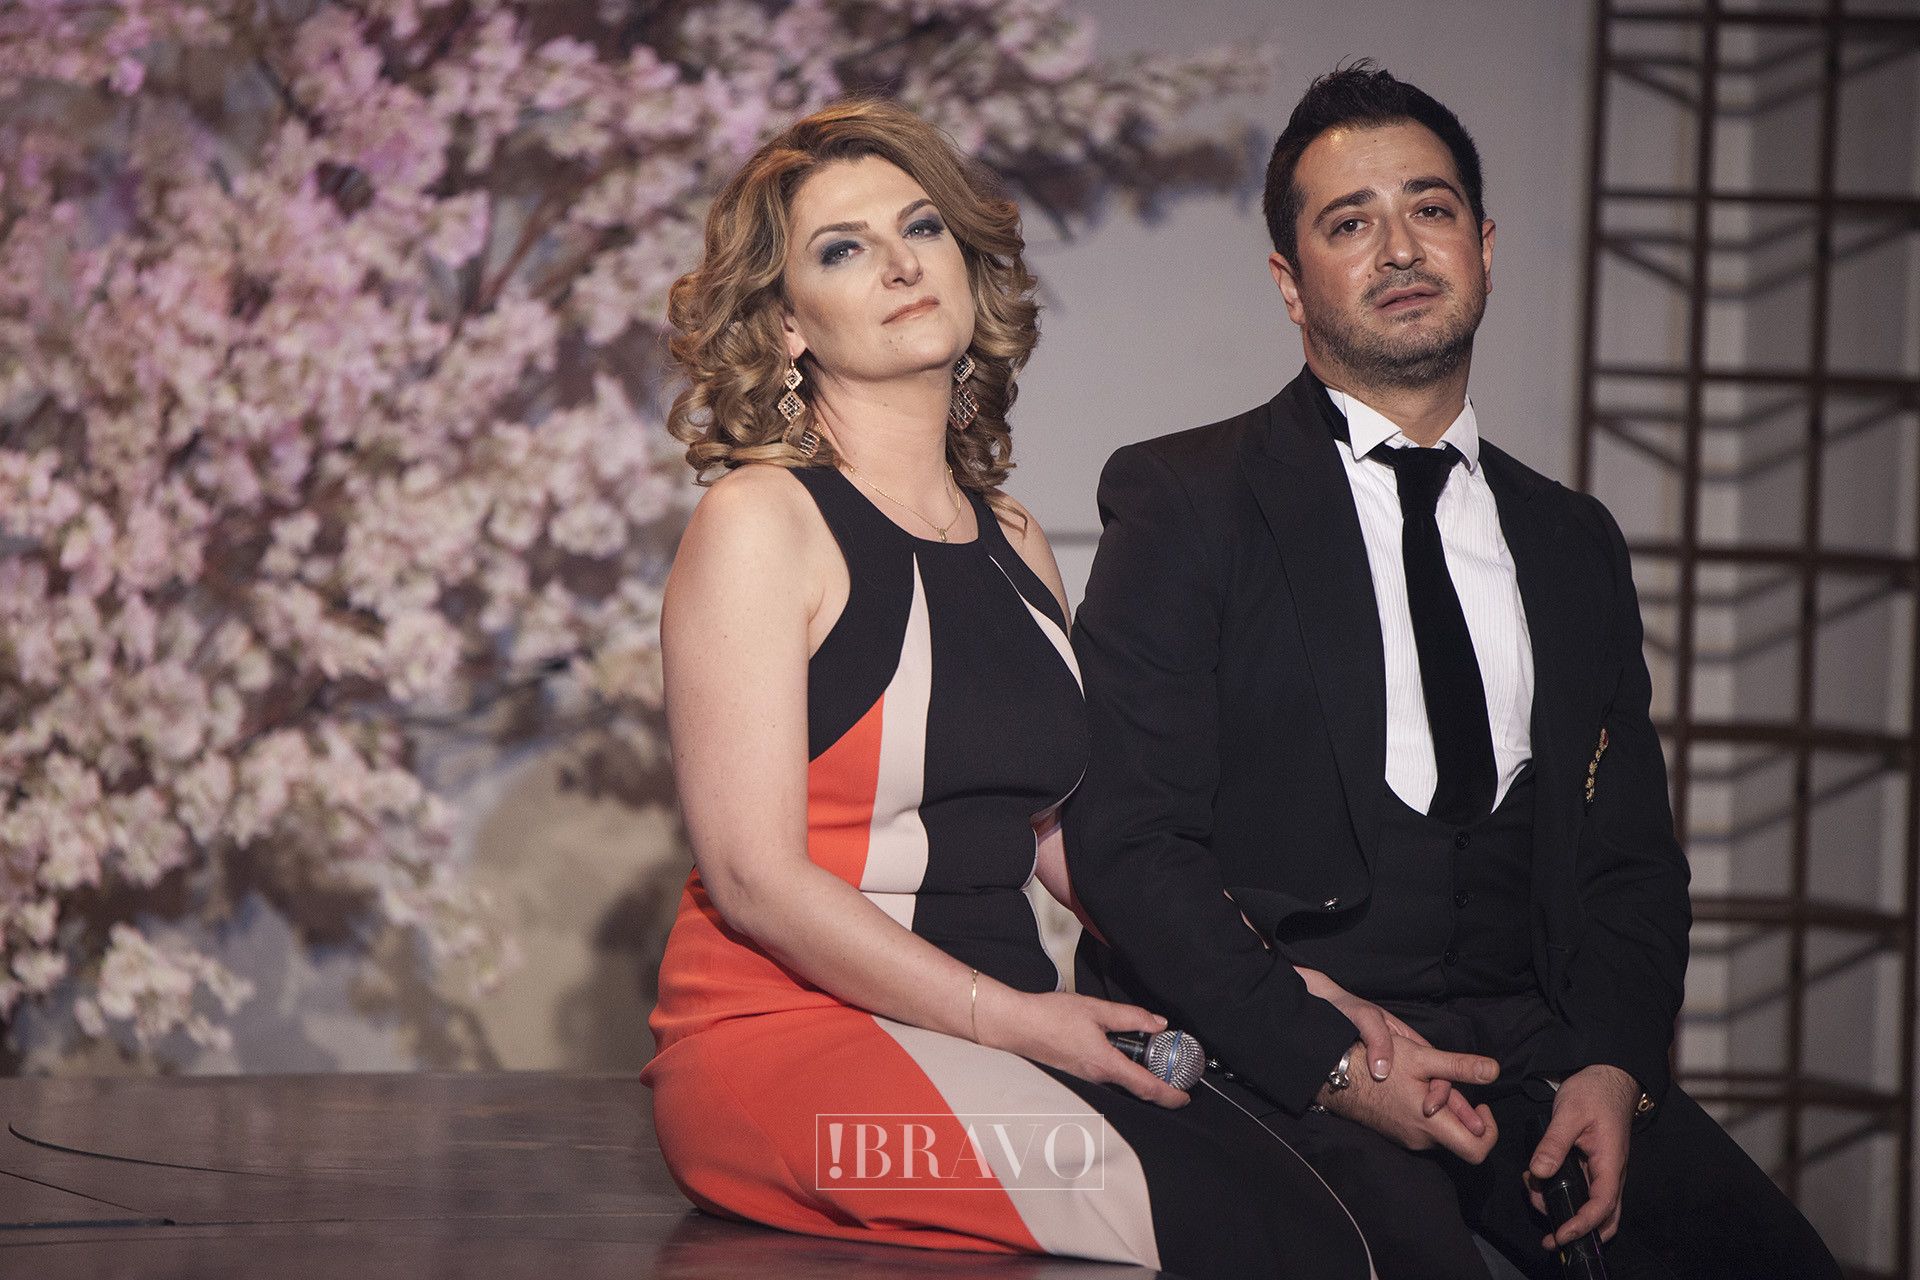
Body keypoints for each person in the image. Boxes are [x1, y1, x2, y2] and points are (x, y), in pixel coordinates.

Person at [1066, 64, 1844, 1280]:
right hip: (1274, 1041)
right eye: (1349, 222)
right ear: (1290, 282)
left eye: (1429, 209)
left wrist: (1613, 1065)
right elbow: (1130, 843)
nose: (1399, 247)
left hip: (1535, 1051)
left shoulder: (1573, 538)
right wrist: (1328, 1057)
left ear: (1482, 247)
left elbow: (1632, 859)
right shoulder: (1187, 499)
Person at [641, 97, 1374, 1276]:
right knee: (1231, 1225)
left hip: (1006, 1020)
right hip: (785, 1043)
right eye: (843, 249)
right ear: (784, 324)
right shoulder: (759, 521)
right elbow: (753, 877)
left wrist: (1265, 983)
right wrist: (1016, 1017)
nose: (900, 264)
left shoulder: (1018, 538)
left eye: (921, 226)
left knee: (1331, 1193)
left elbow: (1066, 840)